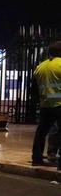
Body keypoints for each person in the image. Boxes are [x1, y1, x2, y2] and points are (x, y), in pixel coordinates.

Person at [31, 40, 61, 169]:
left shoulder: (40, 67)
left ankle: (36, 158)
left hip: (45, 105)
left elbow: (34, 90)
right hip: (60, 104)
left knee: (41, 132)